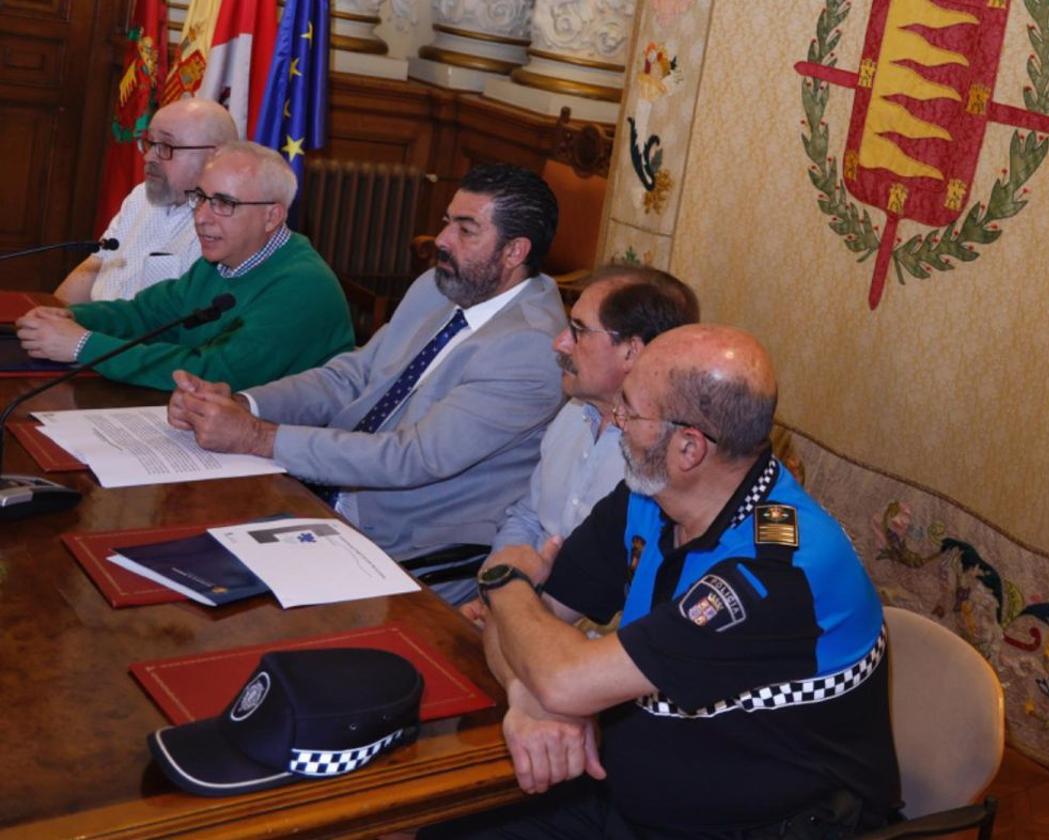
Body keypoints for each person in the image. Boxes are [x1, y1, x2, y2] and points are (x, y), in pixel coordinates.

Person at [434, 324, 900, 838]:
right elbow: (529, 633)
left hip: (756, 826)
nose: (615, 421)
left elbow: (557, 667)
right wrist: (525, 694)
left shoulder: (773, 571)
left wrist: (503, 579)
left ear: (688, 448)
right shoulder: (650, 495)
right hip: (627, 789)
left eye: (630, 411)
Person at [165, 164, 567, 600]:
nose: (444, 240)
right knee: (173, 548)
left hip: (402, 542)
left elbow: (411, 458)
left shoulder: (530, 348)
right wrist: (246, 406)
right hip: (322, 491)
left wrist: (257, 438)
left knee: (209, 607)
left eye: (466, 230)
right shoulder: (439, 288)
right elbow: (350, 377)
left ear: (514, 252)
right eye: (447, 222)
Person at [16, 141, 355, 392]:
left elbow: (214, 372)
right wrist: (70, 318)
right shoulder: (222, 258)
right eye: (201, 198)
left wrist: (82, 345)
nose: (202, 217)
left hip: (285, 459)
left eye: (224, 203)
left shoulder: (301, 287)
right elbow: (146, 314)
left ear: (272, 216)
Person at [461, 265, 699, 614]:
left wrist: (517, 607)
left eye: (579, 330)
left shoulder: (661, 461)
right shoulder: (574, 413)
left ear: (632, 352)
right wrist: (499, 585)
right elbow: (528, 516)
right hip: (514, 604)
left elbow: (624, 605)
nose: (559, 342)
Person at [55, 98, 238, 304]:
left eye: (166, 146)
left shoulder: (228, 221)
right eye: (150, 143)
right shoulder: (140, 196)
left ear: (215, 155)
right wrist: (53, 315)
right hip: (93, 324)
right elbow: (95, 265)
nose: (149, 157)